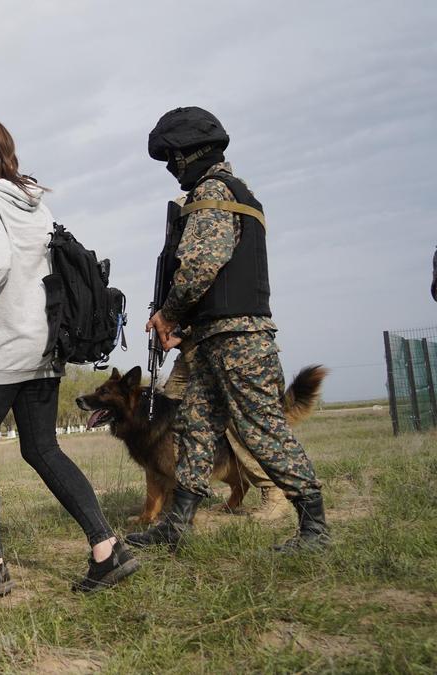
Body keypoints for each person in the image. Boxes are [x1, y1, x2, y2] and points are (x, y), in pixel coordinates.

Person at [0, 119, 139, 597]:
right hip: (45, 346)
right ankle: (106, 548)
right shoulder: (33, 201)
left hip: (3, 346)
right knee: (41, 448)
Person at [129, 106, 329, 553]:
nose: (171, 168)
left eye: (172, 158)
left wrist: (168, 313)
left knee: (262, 430)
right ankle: (176, 524)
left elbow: (200, 266)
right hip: (215, 339)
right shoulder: (234, 192)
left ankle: (314, 527)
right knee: (196, 431)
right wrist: (187, 327)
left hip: (239, 342)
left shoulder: (214, 192)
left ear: (188, 153)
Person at [162, 331, 292, 521]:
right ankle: (175, 498)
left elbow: (201, 300)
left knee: (237, 421)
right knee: (168, 417)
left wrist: (176, 326)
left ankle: (273, 493)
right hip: (189, 348)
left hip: (219, 339)